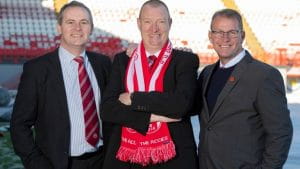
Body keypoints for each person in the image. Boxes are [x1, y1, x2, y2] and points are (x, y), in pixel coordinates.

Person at [10, 1, 111, 169]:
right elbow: (19, 125)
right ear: (59, 28)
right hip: (60, 164)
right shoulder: (37, 69)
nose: (77, 28)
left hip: (102, 160)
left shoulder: (103, 64)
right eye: (70, 22)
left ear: (91, 28)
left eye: (84, 22)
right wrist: (37, 165)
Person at [101, 0, 199, 169]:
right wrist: (153, 117)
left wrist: (134, 98)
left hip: (174, 159)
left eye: (161, 21)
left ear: (170, 23)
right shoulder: (122, 60)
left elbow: (180, 105)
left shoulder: (185, 60)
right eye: (148, 22)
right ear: (139, 23)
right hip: (127, 159)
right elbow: (108, 109)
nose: (154, 29)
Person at [196, 8, 293, 169]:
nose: (225, 38)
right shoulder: (206, 74)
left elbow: (280, 133)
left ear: (242, 35)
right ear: (210, 36)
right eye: (218, 32)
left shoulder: (264, 76)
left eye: (232, 32)